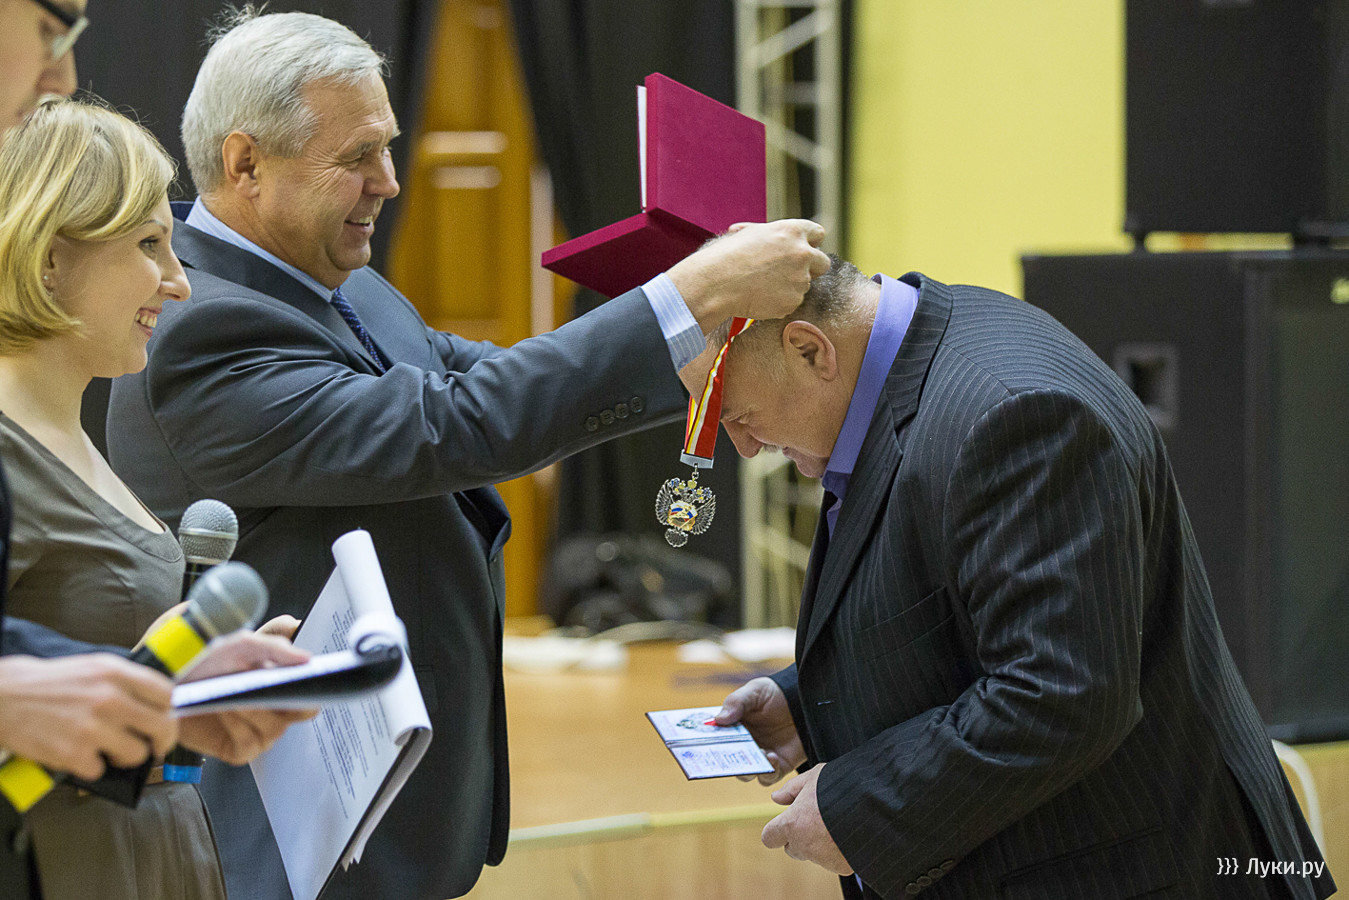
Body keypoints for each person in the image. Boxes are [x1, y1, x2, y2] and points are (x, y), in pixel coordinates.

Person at [104, 8, 829, 900]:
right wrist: (682, 296)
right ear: (246, 163)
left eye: (387, 146)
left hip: (386, 812)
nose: (388, 181)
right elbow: (454, 423)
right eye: (357, 156)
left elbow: (482, 375)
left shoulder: (329, 278)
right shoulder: (200, 329)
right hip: (294, 840)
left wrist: (697, 353)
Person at [694, 256, 1335, 899]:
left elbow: (1058, 694)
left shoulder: (1015, 414)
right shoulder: (928, 351)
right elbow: (957, 608)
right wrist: (808, 703)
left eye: (738, 415)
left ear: (810, 350)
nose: (744, 446)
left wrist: (860, 807)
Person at [0, 96, 318, 900]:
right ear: (49, 258)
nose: (178, 285)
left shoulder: (76, 443)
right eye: (148, 244)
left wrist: (197, 684)